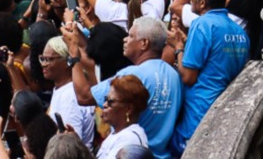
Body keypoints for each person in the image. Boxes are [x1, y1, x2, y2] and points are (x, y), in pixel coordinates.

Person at [66, 17, 180, 159]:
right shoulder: (174, 75)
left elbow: (84, 97)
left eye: (131, 36)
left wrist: (74, 57)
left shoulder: (131, 75)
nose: (125, 40)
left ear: (144, 43)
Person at [172, 0, 250, 154]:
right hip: (225, 110)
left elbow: (188, 77)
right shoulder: (239, 31)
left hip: (199, 113)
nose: (189, 0)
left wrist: (178, 48)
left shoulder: (202, 24)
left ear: (202, 2)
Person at [40, 37, 95, 148]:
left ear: (67, 62)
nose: (44, 64)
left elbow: (69, 146)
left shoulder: (70, 95)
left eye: (50, 59)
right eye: (42, 59)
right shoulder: (61, 89)